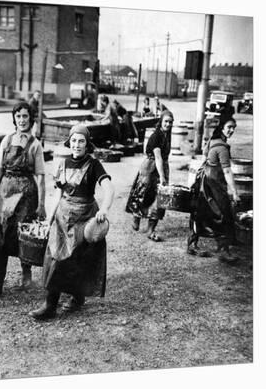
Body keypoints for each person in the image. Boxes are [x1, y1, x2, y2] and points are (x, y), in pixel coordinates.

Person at [29, 124, 114, 320]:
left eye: (81, 141)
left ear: (87, 144)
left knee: (79, 258)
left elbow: (108, 188)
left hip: (85, 216)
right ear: (70, 142)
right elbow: (58, 193)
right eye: (74, 140)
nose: (77, 145)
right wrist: (49, 218)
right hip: (63, 215)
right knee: (55, 257)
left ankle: (77, 297)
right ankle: (50, 305)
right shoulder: (63, 163)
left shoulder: (94, 165)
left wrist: (104, 209)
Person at [0, 102, 46, 295]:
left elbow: (41, 177)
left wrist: (42, 205)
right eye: (18, 116)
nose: (21, 120)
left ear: (31, 118)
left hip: (27, 195)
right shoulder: (7, 140)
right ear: (14, 119)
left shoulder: (35, 145)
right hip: (5, 192)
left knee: (24, 236)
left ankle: (26, 277)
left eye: (25, 116)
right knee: (1, 236)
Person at [187, 118, 240, 263]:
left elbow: (204, 156)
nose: (231, 130)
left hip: (205, 181)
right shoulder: (222, 148)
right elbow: (228, 171)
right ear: (222, 128)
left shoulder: (212, 140)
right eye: (229, 127)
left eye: (233, 128)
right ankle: (224, 251)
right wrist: (234, 192)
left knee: (199, 212)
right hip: (214, 183)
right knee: (222, 213)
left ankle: (192, 244)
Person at [125, 110, 174, 241]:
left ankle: (151, 230)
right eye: (166, 121)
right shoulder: (156, 136)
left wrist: (164, 174)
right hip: (150, 167)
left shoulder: (167, 135)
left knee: (159, 200)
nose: (168, 124)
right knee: (142, 194)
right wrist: (162, 177)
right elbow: (158, 157)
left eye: (170, 122)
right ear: (161, 122)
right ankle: (136, 217)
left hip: (162, 167)